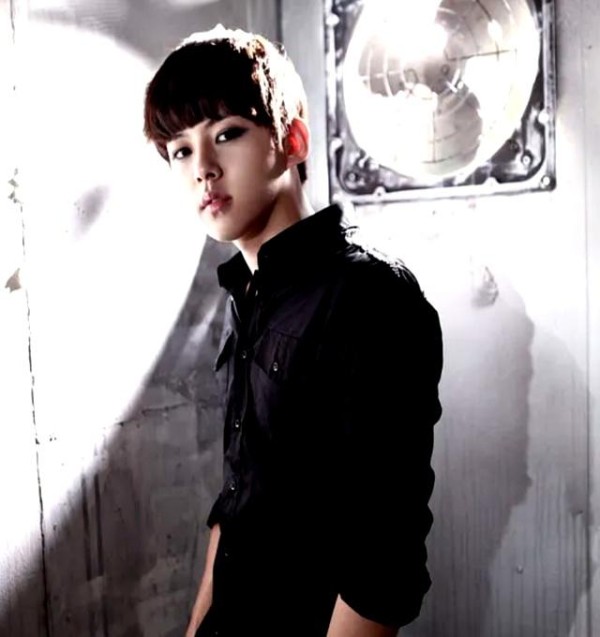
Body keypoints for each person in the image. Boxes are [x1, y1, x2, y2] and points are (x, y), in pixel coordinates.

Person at [143, 25, 443, 637]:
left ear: (292, 140)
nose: (203, 169)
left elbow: (383, 564)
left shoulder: (369, 295)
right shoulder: (247, 293)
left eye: (227, 134)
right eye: (180, 150)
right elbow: (240, 493)